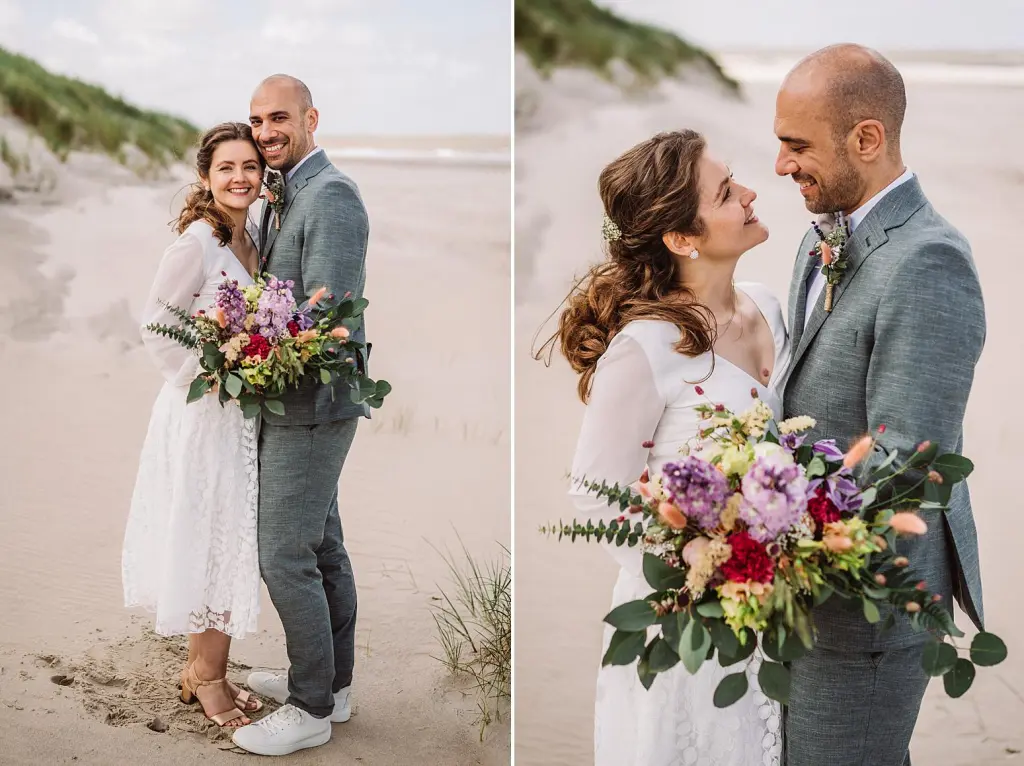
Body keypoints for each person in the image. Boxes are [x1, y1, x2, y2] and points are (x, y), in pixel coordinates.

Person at [542, 129, 788, 765]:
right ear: (682, 239)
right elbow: (594, 498)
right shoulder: (646, 347)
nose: (751, 194)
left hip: (775, 604)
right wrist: (698, 562)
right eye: (728, 192)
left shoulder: (770, 307)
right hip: (686, 620)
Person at [776, 43, 985, 766]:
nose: (780, 165)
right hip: (799, 594)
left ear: (866, 139)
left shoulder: (929, 260)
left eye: (795, 145)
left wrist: (770, 542)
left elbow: (905, 464)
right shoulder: (819, 240)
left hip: (867, 607)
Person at [230, 74, 371, 757]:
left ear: (311, 117)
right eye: (256, 120)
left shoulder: (333, 195)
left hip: (313, 403)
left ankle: (311, 707)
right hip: (291, 398)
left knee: (284, 553)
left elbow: (330, 314)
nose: (265, 131)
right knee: (321, 547)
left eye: (279, 116)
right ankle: (333, 686)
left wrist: (249, 354)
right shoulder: (284, 193)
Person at [123, 122, 266, 728]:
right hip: (202, 411)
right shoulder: (199, 241)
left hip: (235, 416)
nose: (240, 178)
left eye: (251, 167)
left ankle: (205, 669)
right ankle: (207, 679)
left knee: (223, 535)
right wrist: (207, 371)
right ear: (206, 177)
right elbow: (157, 323)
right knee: (210, 537)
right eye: (227, 167)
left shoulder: (251, 236)